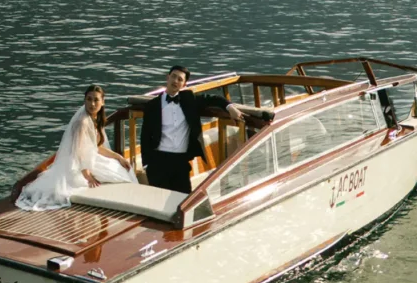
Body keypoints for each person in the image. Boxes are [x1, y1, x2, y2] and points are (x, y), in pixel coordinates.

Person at [15, 85, 138, 210]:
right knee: (120, 172)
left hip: (90, 158)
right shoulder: (82, 122)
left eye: (96, 100)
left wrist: (118, 157)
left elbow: (96, 147)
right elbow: (78, 151)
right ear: (84, 100)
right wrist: (87, 175)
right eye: (89, 99)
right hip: (79, 164)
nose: (92, 104)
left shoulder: (95, 118)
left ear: (103, 101)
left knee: (121, 166)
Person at [140, 64, 245, 195]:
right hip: (158, 162)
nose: (175, 81)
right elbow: (145, 136)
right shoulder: (152, 105)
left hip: (181, 162)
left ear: (184, 85)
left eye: (180, 79)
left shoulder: (189, 100)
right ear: (167, 77)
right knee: (159, 199)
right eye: (173, 77)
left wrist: (230, 108)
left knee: (183, 200)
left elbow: (215, 99)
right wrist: (146, 165)